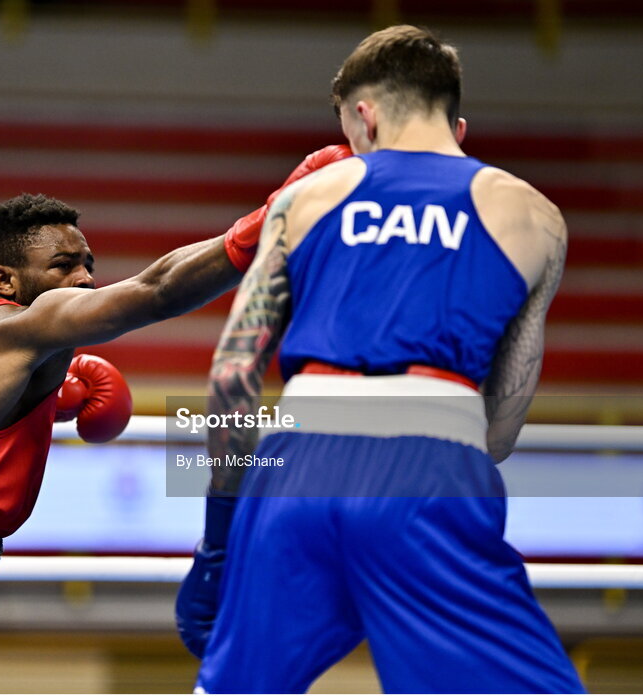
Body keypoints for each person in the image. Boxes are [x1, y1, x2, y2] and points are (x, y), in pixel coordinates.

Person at [0, 140, 349, 695]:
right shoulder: (11, 328)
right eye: (63, 267)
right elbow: (155, 290)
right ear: (5, 281)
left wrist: (50, 401)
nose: (86, 280)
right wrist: (273, 219)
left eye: (89, 265)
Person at [177, 25, 587, 693]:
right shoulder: (535, 216)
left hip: (296, 466)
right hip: (430, 464)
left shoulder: (306, 198)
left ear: (363, 117)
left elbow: (231, 378)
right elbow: (501, 430)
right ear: (457, 123)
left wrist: (220, 539)